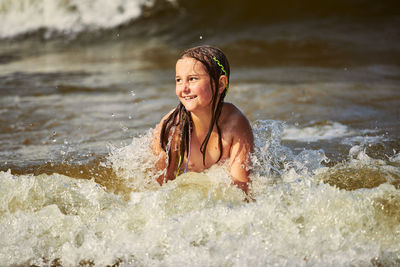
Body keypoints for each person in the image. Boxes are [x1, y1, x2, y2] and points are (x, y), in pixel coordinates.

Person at [151, 45, 254, 193]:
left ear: (220, 84)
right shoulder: (172, 127)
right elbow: (157, 188)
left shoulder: (235, 124)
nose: (183, 89)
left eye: (192, 79)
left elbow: (242, 189)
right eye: (179, 80)